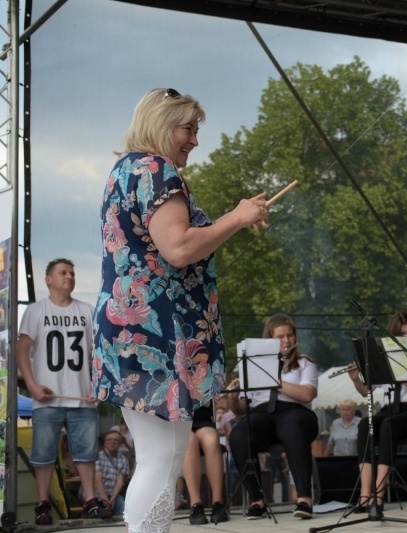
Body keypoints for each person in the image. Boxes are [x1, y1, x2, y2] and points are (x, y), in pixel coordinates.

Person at [92, 88, 269, 533]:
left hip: (133, 329)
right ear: (162, 124)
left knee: (162, 453)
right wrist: (236, 217)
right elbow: (179, 247)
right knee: (163, 455)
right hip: (157, 334)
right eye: (188, 128)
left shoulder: (126, 170)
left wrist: (234, 222)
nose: (194, 139)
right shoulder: (157, 170)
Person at [15, 257, 108, 525]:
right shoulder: (36, 310)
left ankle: (90, 500)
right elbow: (22, 349)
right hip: (47, 397)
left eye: (71, 272)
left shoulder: (87, 311)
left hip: (81, 396)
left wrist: (98, 384)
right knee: (43, 453)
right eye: (63, 272)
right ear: (49, 279)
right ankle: (42, 503)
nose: (69, 276)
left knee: (86, 452)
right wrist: (31, 385)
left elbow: (98, 353)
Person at [227, 314, 319, 520]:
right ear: (269, 339)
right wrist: (233, 398)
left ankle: (304, 498)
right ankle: (257, 500)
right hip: (263, 414)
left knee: (292, 427)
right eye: (280, 336)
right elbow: (241, 410)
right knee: (239, 434)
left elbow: (307, 394)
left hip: (296, 413)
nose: (287, 340)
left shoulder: (304, 363)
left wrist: (273, 380)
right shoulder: (252, 365)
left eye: (290, 335)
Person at [346, 311, 407, 512]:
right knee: (364, 424)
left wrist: (398, 365)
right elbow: (365, 392)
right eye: (403, 334)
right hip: (389, 409)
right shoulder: (385, 357)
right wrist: (355, 378)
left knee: (388, 425)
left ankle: (379, 495)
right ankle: (364, 494)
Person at [184, 402, 228, 524]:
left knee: (212, 440)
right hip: (176, 419)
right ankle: (196, 504)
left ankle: (218, 503)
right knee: (189, 441)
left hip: (200, 417)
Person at [95, 430, 132, 518]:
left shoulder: (123, 459)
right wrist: (104, 499)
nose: (113, 442)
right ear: (104, 442)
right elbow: (97, 480)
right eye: (109, 439)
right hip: (96, 493)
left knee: (121, 504)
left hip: (113, 493)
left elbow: (120, 480)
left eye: (116, 440)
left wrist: (113, 497)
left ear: (120, 444)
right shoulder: (97, 456)